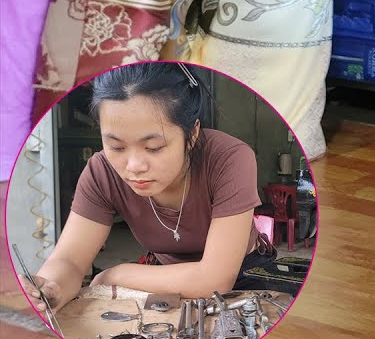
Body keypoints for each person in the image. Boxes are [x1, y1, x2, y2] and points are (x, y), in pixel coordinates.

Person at [17, 62, 275, 317]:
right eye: (116, 147)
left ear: (193, 134)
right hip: (158, 277)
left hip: (242, 277)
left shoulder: (230, 159)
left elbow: (214, 280)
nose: (134, 166)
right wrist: (51, 288)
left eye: (154, 147)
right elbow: (71, 260)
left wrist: (113, 274)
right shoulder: (101, 171)